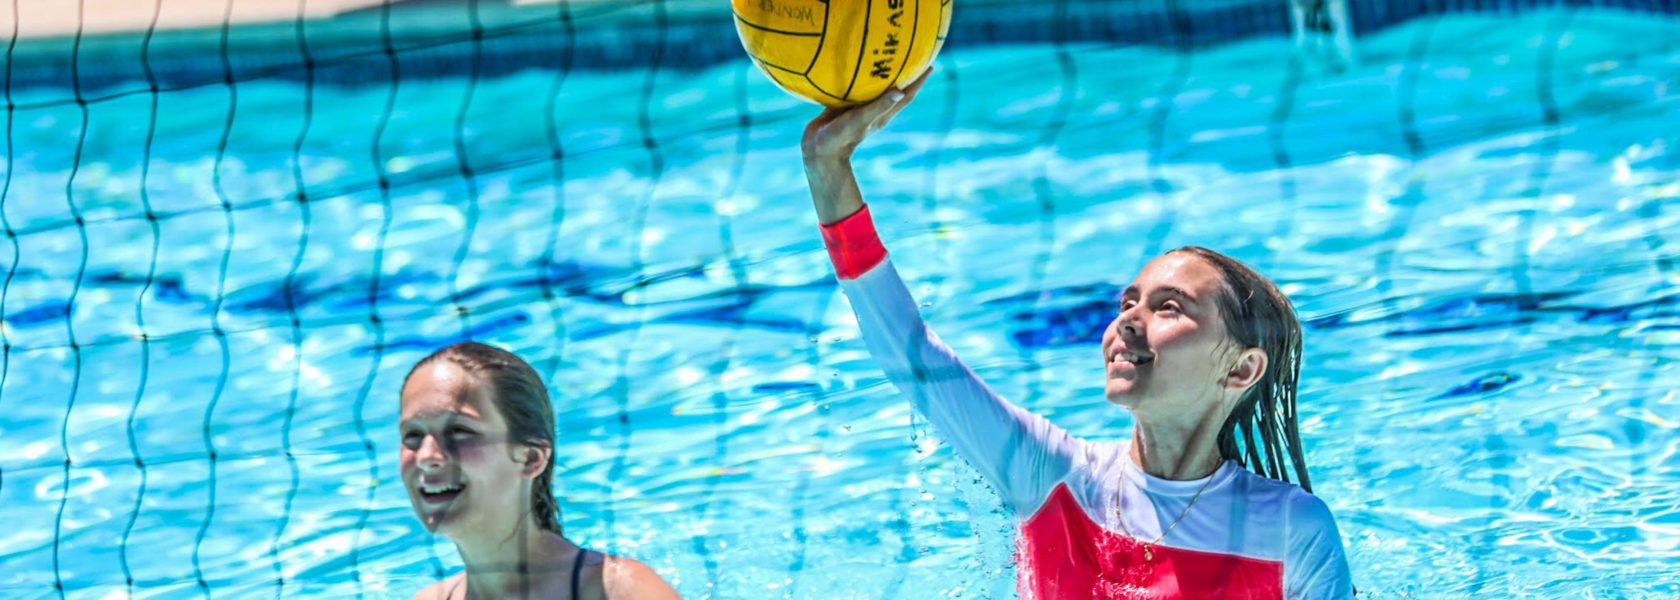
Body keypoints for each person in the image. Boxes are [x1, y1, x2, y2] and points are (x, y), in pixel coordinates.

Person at [802, 70, 1354, 598]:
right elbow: (909, 351)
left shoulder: (1291, 531)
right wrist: (827, 167)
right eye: (1127, 302)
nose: (1127, 322)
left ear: (1241, 369)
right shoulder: (1052, 476)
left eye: (1169, 308)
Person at [399, 341, 680, 599]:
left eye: (460, 431)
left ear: (531, 459)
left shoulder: (620, 591)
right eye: (412, 436)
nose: (426, 457)